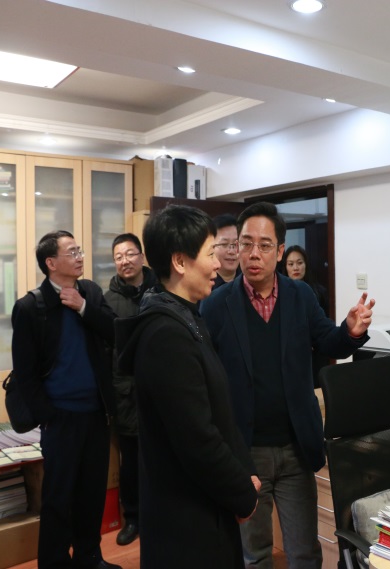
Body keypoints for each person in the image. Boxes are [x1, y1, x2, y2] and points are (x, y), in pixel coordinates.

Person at [200, 202, 375, 569]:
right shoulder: (216, 306)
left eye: (264, 245)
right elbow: (207, 379)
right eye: (246, 243)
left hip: (296, 447)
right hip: (245, 452)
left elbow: (328, 342)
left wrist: (350, 331)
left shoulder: (300, 296)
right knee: (254, 555)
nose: (253, 253)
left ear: (279, 251)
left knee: (304, 553)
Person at [115, 205, 259, 569]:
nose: (218, 264)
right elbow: (197, 438)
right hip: (186, 520)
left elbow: (218, 410)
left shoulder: (187, 316)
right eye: (210, 254)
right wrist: (242, 494)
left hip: (204, 505)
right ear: (180, 261)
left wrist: (244, 471)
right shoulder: (166, 335)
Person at [11, 230, 121, 569]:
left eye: (79, 250)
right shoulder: (31, 307)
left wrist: (84, 307)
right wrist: (49, 415)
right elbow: (25, 375)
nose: (79, 256)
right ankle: (55, 562)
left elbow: (115, 331)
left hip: (96, 414)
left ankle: (90, 558)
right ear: (51, 262)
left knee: (91, 494)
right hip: (60, 418)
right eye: (71, 252)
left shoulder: (90, 292)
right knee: (58, 498)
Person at [103, 233, 157, 546]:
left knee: (161, 457)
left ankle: (159, 515)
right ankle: (133, 518)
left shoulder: (161, 291)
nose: (125, 261)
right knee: (131, 462)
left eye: (130, 254)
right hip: (125, 393)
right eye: (118, 257)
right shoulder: (108, 301)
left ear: (142, 256)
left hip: (159, 389)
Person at [281, 245, 331, 385]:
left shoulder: (319, 292)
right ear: (285, 267)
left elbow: (324, 325)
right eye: (291, 264)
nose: (295, 268)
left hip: (315, 353)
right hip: (289, 353)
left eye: (299, 263)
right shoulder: (279, 294)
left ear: (306, 265)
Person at [213, 213, 242, 289]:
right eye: (224, 244)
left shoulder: (250, 282)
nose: (231, 251)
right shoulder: (202, 285)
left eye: (236, 244)